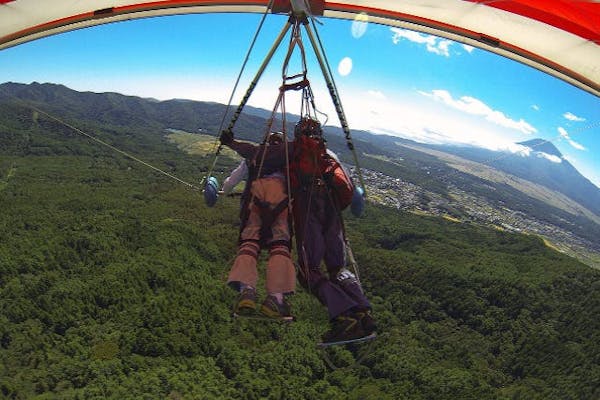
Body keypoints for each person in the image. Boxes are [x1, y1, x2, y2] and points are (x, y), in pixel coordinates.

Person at [290, 117, 376, 343]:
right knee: (338, 268)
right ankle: (363, 313)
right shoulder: (330, 156)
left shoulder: (295, 153)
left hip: (309, 209)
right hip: (333, 213)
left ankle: (343, 317)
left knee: (309, 271)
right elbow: (348, 189)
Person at [219, 131, 296, 319]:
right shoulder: (289, 160)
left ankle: (247, 291)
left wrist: (223, 191)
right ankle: (276, 298)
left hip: (256, 199)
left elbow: (232, 180)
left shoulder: (255, 154)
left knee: (250, 242)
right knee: (280, 246)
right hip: (282, 203)